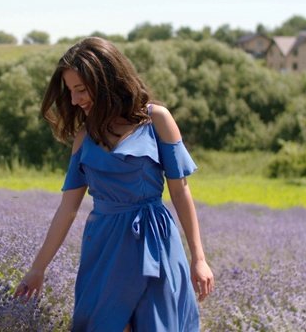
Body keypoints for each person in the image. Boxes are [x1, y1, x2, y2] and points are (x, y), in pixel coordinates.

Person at [14, 37, 214, 331]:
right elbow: (67, 209)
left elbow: (180, 191)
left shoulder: (156, 119)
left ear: (106, 80)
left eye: (80, 90)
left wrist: (199, 258)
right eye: (70, 92)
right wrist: (37, 268)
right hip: (103, 249)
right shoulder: (83, 137)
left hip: (155, 245)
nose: (74, 100)